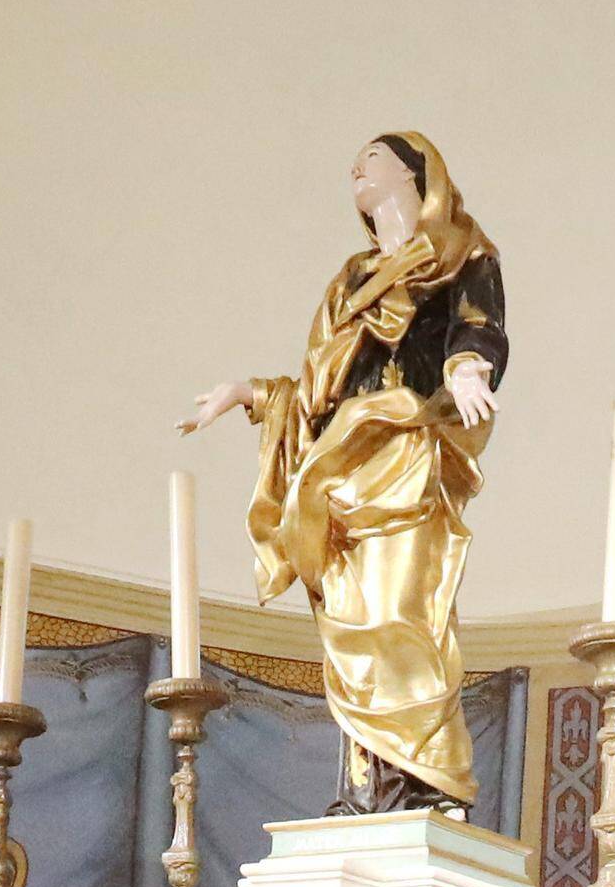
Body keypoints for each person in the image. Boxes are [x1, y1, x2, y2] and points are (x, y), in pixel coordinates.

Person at [183, 129, 509, 813]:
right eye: (355, 164)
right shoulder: (351, 280)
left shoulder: (463, 251)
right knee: (350, 627)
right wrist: (249, 394)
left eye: (374, 158)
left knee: (403, 613)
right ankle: (365, 790)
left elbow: (477, 326)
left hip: (406, 452)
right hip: (340, 469)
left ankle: (426, 784)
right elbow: (315, 391)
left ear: (417, 175)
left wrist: (468, 367)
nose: (357, 168)